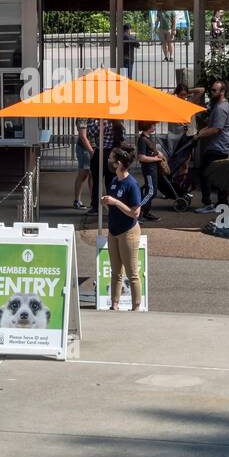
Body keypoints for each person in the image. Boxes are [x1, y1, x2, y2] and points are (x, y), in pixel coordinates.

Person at [101, 145, 143, 311]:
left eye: (111, 158)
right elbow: (111, 207)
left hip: (128, 232)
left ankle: (136, 307)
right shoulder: (113, 180)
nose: (109, 161)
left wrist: (116, 202)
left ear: (118, 163)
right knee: (115, 272)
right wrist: (106, 203)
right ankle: (115, 304)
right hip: (113, 231)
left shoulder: (131, 184)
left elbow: (135, 213)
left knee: (132, 273)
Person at [195, 79, 229, 214]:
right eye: (211, 90)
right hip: (220, 145)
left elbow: (216, 129)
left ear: (222, 92)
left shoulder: (220, 108)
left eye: (214, 90)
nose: (212, 92)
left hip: (218, 146)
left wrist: (199, 136)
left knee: (206, 174)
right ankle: (221, 203)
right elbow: (212, 125)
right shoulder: (220, 105)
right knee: (219, 175)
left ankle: (209, 203)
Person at [85, 116, 124, 203]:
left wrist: (91, 118)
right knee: (111, 181)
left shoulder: (104, 122)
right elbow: (122, 137)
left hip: (101, 153)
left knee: (97, 181)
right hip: (114, 154)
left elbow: (90, 132)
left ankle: (96, 205)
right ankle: (112, 203)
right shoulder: (119, 122)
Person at [135, 121, 165, 222]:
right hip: (149, 169)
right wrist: (157, 159)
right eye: (153, 125)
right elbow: (141, 157)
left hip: (152, 169)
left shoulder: (147, 138)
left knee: (151, 191)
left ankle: (146, 212)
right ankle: (136, 211)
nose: (154, 126)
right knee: (151, 192)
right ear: (147, 126)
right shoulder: (143, 140)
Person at [72, 119, 93, 209]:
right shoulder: (83, 118)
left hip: (92, 148)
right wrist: (91, 151)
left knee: (92, 174)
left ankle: (94, 201)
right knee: (83, 173)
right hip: (84, 149)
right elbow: (83, 137)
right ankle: (77, 201)